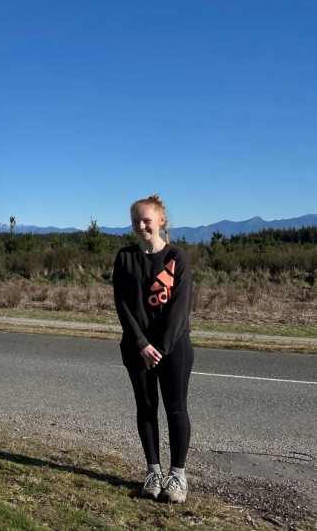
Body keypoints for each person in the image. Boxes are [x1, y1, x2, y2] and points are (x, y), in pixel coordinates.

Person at [113, 194, 194, 504]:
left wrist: (159, 347)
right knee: (146, 409)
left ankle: (177, 475)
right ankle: (153, 472)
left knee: (176, 410)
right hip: (137, 348)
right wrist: (142, 344)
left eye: (147, 220)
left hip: (174, 349)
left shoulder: (177, 258)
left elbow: (180, 310)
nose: (141, 225)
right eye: (136, 220)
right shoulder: (125, 258)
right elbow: (122, 305)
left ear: (161, 221)